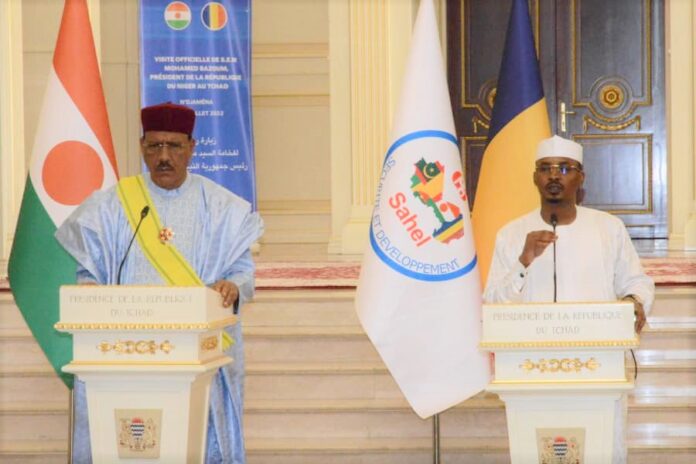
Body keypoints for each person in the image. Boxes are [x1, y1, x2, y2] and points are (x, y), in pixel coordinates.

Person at [56, 102, 262, 463]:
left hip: (195, 349)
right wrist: (89, 288)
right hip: (124, 349)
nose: (164, 156)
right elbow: (90, 269)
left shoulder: (221, 207)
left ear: (191, 147)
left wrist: (232, 285)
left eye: (174, 146)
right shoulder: (114, 205)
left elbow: (242, 271)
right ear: (142, 147)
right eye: (154, 146)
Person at [483, 134, 654, 464]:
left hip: (597, 364)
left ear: (580, 177)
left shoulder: (608, 229)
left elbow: (636, 281)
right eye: (545, 169)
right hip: (530, 368)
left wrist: (634, 302)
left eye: (564, 168)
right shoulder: (512, 234)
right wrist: (524, 261)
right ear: (535, 177)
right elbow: (493, 303)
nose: (553, 176)